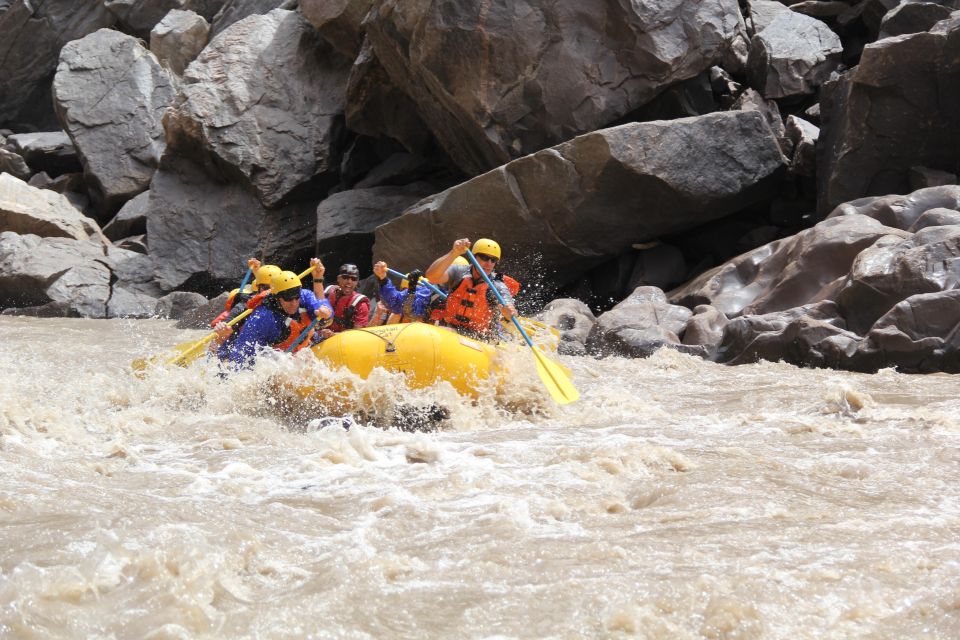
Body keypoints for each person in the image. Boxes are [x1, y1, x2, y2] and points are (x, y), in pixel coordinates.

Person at [214, 264, 333, 366]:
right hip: (269, 354)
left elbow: (323, 313)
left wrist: (326, 314)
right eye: (288, 299)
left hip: (298, 347)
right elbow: (241, 355)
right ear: (277, 297)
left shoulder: (304, 295)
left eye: (297, 298)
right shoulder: (261, 317)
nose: (294, 303)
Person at [424, 238, 518, 342]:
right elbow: (432, 276)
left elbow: (511, 310)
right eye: (484, 257)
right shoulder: (459, 272)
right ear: (473, 257)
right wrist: (454, 253)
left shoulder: (497, 285)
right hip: (451, 327)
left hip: (480, 337)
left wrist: (508, 313)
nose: (489, 263)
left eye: (493, 260)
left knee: (441, 331)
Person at [211, 259, 281, 327]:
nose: (269, 291)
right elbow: (227, 325)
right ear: (258, 287)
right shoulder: (243, 305)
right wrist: (224, 326)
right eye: (266, 288)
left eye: (274, 288)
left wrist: (257, 271)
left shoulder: (285, 301)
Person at [320, 263, 370, 339]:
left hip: (343, 342)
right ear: (338, 279)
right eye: (345, 277)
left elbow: (358, 335)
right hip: (319, 337)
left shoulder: (361, 305)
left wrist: (334, 335)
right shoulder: (327, 293)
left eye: (353, 279)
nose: (349, 281)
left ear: (357, 282)